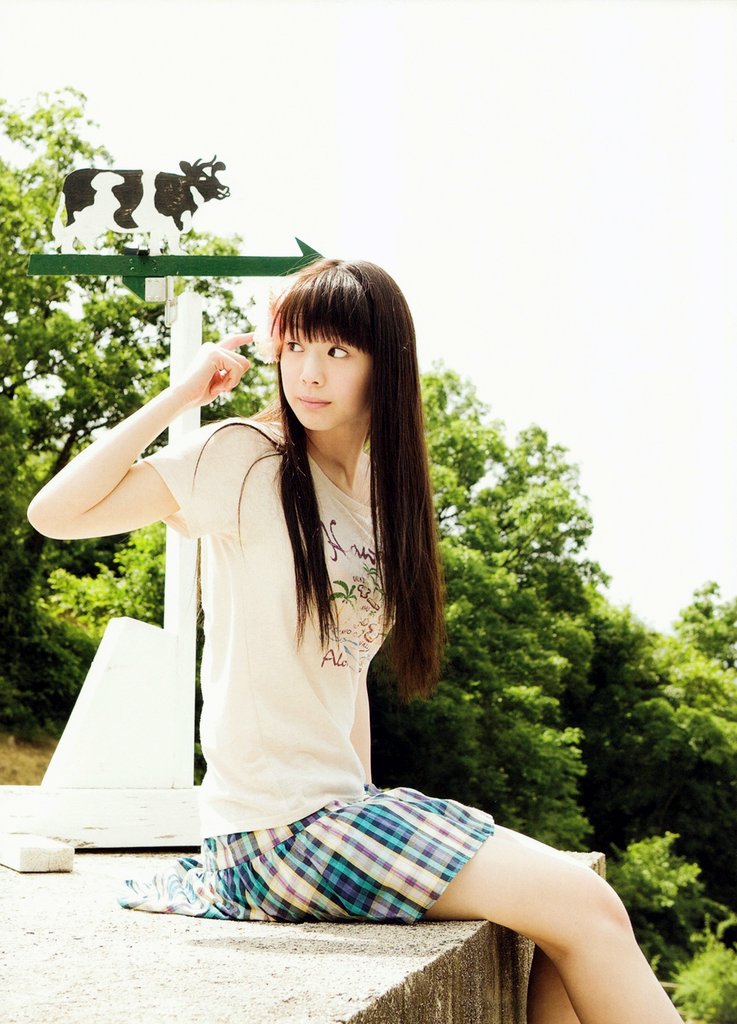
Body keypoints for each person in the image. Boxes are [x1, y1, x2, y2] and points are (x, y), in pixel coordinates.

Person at [28, 258, 682, 1024]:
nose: (308, 372)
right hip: (272, 833)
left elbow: (345, 679)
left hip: (339, 809)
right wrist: (183, 395)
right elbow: (56, 514)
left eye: (337, 350)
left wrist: (367, 796)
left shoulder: (381, 494)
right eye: (296, 346)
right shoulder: (244, 458)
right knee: (584, 908)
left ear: (384, 363)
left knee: (577, 902)